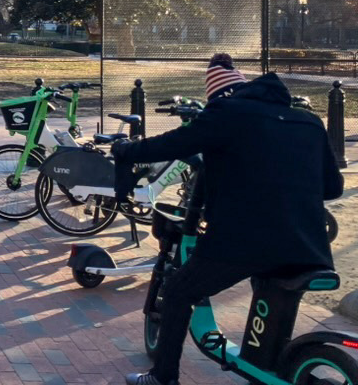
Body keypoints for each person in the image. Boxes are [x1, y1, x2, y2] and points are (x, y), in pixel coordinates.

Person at [112, 53, 344, 385]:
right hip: (308, 248)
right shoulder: (307, 120)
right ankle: (266, 364)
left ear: (218, 97)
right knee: (270, 285)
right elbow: (332, 187)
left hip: (242, 243)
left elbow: (171, 144)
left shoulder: (225, 114)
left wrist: (124, 152)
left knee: (179, 291)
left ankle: (162, 378)